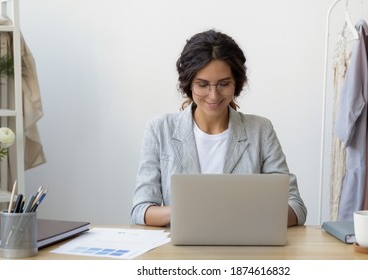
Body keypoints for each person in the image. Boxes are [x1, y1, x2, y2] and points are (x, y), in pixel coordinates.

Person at [131, 29, 307, 227]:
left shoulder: (260, 130)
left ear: (236, 84)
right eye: (202, 85)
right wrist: (190, 212)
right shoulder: (159, 129)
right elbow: (141, 210)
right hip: (182, 253)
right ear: (189, 85)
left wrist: (245, 214)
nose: (213, 96)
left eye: (223, 84)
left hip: (243, 250)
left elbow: (296, 207)